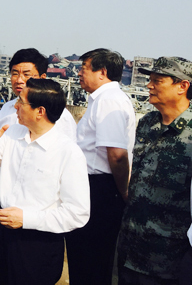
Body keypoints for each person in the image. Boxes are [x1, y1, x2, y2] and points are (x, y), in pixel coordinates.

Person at [0, 78, 90, 285]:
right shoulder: (13, 134)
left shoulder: (68, 152)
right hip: (4, 233)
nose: (15, 106)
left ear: (40, 111)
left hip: (38, 243)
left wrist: (26, 219)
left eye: (21, 101)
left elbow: (77, 213)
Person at [118, 57, 192, 284]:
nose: (148, 86)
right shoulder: (148, 122)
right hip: (130, 247)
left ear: (182, 86)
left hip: (168, 259)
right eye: (149, 80)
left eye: (157, 81)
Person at [65, 48, 136, 285]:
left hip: (101, 188)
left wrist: (123, 191)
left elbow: (116, 155)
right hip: (94, 186)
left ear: (102, 71)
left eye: (84, 68)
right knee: (82, 258)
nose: (79, 74)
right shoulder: (101, 99)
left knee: (91, 261)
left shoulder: (109, 100)